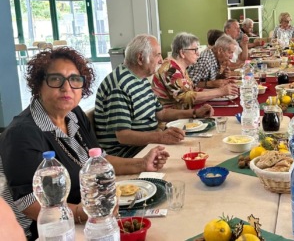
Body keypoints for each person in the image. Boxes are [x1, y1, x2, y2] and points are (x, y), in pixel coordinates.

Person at [0, 47, 170, 240]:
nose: (67, 88)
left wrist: (141, 164)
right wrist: (85, 213)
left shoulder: (74, 115)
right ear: (39, 84)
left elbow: (99, 160)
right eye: (56, 79)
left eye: (75, 80)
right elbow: (29, 204)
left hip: (95, 217)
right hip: (55, 232)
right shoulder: (22, 133)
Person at [95, 34, 213, 158]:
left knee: (200, 149)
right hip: (130, 154)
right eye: (157, 55)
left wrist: (194, 113)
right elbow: (123, 136)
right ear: (140, 58)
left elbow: (161, 113)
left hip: (146, 145)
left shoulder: (140, 79)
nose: (161, 60)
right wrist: (160, 137)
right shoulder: (119, 85)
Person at [152, 32, 238, 109]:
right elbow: (186, 98)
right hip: (170, 121)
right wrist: (220, 91)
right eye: (194, 50)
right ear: (182, 53)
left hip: (181, 114)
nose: (198, 53)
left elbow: (193, 89)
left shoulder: (180, 67)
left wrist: (222, 92)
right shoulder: (171, 69)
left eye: (198, 49)